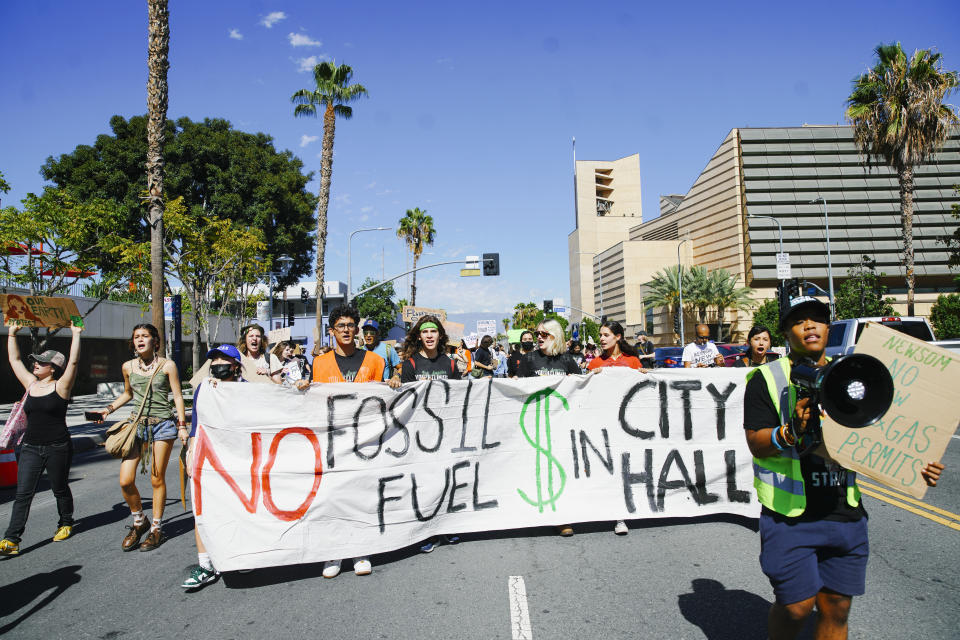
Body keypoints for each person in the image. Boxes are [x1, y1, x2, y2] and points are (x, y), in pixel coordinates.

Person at [743, 296, 945, 640]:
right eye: (799, 321)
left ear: (828, 328)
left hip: (843, 511)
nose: (810, 326)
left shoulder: (855, 372)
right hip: (789, 516)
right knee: (796, 608)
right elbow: (756, 442)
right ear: (785, 333)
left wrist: (918, 464)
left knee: (836, 606)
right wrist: (789, 431)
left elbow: (887, 432)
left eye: (818, 319)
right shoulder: (767, 378)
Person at [94, 323, 188, 552]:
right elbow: (128, 393)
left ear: (155, 341)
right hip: (137, 427)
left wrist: (182, 425)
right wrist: (108, 409)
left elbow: (177, 396)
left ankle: (156, 528)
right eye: (136, 336)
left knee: (157, 479)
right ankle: (139, 521)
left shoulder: (168, 366)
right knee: (125, 480)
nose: (140, 339)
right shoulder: (128, 367)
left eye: (145, 336)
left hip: (163, 426)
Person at [312, 304, 388, 578]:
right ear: (332, 331)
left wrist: (391, 385)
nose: (346, 330)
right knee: (331, 498)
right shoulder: (319, 364)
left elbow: (381, 401)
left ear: (357, 329)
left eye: (350, 325)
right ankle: (333, 553)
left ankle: (361, 550)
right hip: (331, 441)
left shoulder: (375, 362)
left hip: (364, 441)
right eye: (341, 326)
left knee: (362, 495)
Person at [0, 323, 82, 555]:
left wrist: (76, 334)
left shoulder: (62, 386)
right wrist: (12, 333)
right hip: (30, 448)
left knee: (59, 488)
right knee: (23, 494)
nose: (35, 364)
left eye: (42, 362)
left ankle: (65, 522)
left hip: (58, 447)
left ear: (54, 368)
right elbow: (15, 361)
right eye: (36, 361)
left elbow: (74, 363)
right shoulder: (31, 384)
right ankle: (12, 539)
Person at [180, 344, 246, 589]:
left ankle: (239, 554)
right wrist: (191, 454)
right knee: (203, 508)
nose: (218, 363)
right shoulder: (203, 390)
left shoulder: (248, 391)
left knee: (238, 507)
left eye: (223, 359)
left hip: (239, 459)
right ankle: (206, 565)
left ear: (235, 366)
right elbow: (197, 424)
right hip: (210, 457)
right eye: (214, 359)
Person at [518, 319, 581, 537]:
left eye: (544, 334)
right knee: (539, 469)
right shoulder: (529, 359)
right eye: (538, 334)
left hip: (563, 424)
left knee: (561, 470)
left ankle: (561, 517)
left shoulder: (567, 360)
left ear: (555, 335)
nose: (539, 337)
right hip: (535, 423)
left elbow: (581, 386)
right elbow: (518, 390)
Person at [587, 320, 643, 536]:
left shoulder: (632, 361)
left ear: (618, 337)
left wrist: (645, 375)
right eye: (600, 335)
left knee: (626, 468)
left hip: (630, 426)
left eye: (606, 335)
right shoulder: (595, 364)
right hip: (604, 424)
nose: (601, 339)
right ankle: (615, 512)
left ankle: (623, 513)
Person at [361, 319, 401, 385]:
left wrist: (396, 377)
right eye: (365, 333)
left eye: (372, 333)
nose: (368, 335)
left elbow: (401, 367)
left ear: (378, 333)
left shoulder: (388, 349)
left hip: (383, 391)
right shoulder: (360, 351)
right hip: (365, 391)